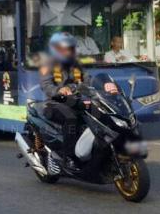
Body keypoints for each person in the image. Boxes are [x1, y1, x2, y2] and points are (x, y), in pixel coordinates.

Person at [40, 32, 116, 164]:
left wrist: (104, 85)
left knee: (100, 113)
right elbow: (46, 85)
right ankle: (69, 157)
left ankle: (100, 150)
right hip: (55, 103)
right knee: (71, 118)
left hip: (76, 100)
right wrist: (59, 90)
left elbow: (88, 80)